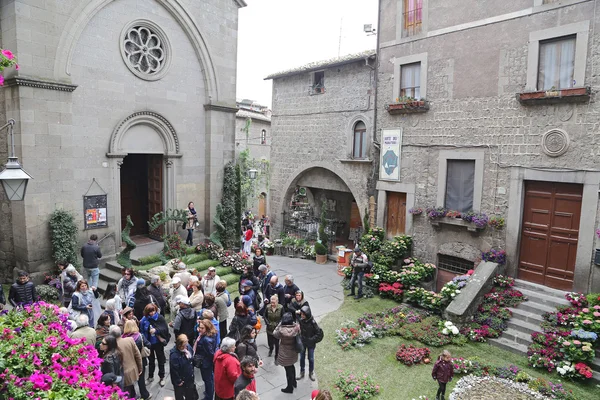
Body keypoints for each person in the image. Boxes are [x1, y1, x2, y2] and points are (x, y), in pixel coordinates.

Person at [109, 324, 142, 398]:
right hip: (132, 371)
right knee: (131, 389)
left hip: (121, 375)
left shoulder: (111, 347)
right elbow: (138, 355)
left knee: (126, 393)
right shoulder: (130, 340)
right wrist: (140, 368)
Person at [140, 304, 169, 388]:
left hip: (158, 343)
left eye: (153, 311)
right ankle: (150, 376)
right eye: (150, 312)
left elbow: (165, 329)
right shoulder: (144, 319)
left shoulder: (160, 318)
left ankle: (162, 377)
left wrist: (156, 330)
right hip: (149, 343)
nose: (152, 313)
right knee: (151, 361)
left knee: (161, 360)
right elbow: (141, 330)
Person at [123, 320, 151, 400]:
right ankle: (144, 394)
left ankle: (133, 395)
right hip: (140, 360)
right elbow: (148, 344)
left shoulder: (123, 337)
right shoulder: (140, 336)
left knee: (130, 380)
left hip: (129, 362)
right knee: (141, 379)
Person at [273, 312, 300, 393]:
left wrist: (279, 325)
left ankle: (289, 387)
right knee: (292, 366)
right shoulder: (296, 327)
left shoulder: (281, 330)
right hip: (293, 350)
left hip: (285, 352)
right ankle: (294, 382)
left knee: (287, 370)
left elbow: (275, 334)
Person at [193, 319, 218, 400]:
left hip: (205, 363)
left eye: (202, 328)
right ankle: (208, 392)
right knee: (209, 379)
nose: (199, 329)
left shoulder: (206, 340)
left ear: (207, 328)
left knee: (208, 380)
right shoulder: (211, 334)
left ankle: (209, 396)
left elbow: (210, 353)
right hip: (207, 362)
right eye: (199, 327)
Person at [170, 334, 198, 400]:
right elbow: (174, 370)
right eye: (184, 345)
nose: (186, 347)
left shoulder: (188, 347)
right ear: (179, 345)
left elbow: (191, 358)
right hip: (181, 381)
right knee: (179, 396)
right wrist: (179, 381)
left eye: (186, 344)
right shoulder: (174, 355)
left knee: (190, 396)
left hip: (189, 379)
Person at [298, 305, 322, 382]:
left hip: (310, 343)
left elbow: (319, 333)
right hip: (303, 342)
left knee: (311, 358)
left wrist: (311, 340)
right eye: (301, 314)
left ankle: (311, 372)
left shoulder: (313, 322)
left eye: (303, 314)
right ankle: (302, 372)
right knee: (302, 358)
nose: (301, 316)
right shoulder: (301, 320)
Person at [264, 294, 283, 359]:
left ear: (277, 301)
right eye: (271, 302)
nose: (272, 304)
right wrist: (267, 323)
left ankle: (277, 355)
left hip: (277, 329)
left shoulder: (281, 307)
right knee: (270, 342)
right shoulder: (267, 307)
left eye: (273, 302)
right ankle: (271, 349)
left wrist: (279, 324)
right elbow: (265, 316)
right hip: (269, 328)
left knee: (277, 343)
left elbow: (283, 317)